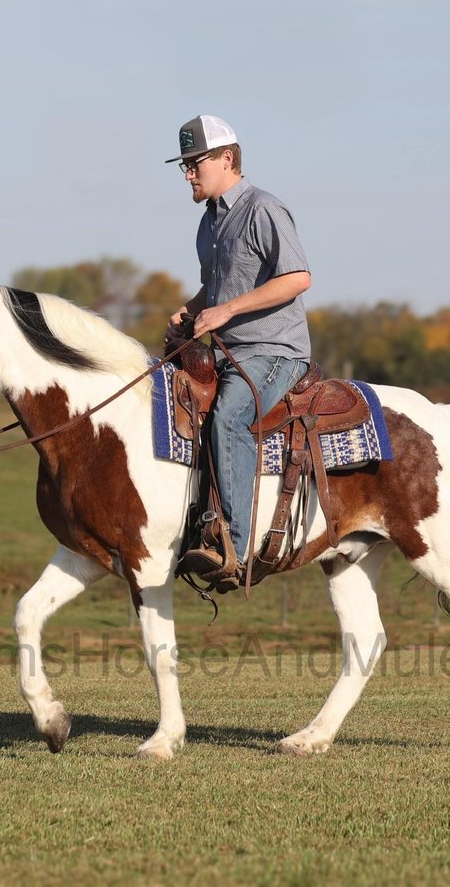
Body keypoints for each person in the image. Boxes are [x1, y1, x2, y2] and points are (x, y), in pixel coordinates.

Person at [164, 114, 312, 584]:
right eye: (183, 165)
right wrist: (190, 311)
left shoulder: (264, 209)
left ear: (227, 158)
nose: (188, 173)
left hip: (273, 351)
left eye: (195, 163)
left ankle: (236, 546)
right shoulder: (207, 226)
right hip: (228, 353)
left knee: (229, 417)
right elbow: (218, 289)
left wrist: (225, 313)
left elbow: (297, 278)